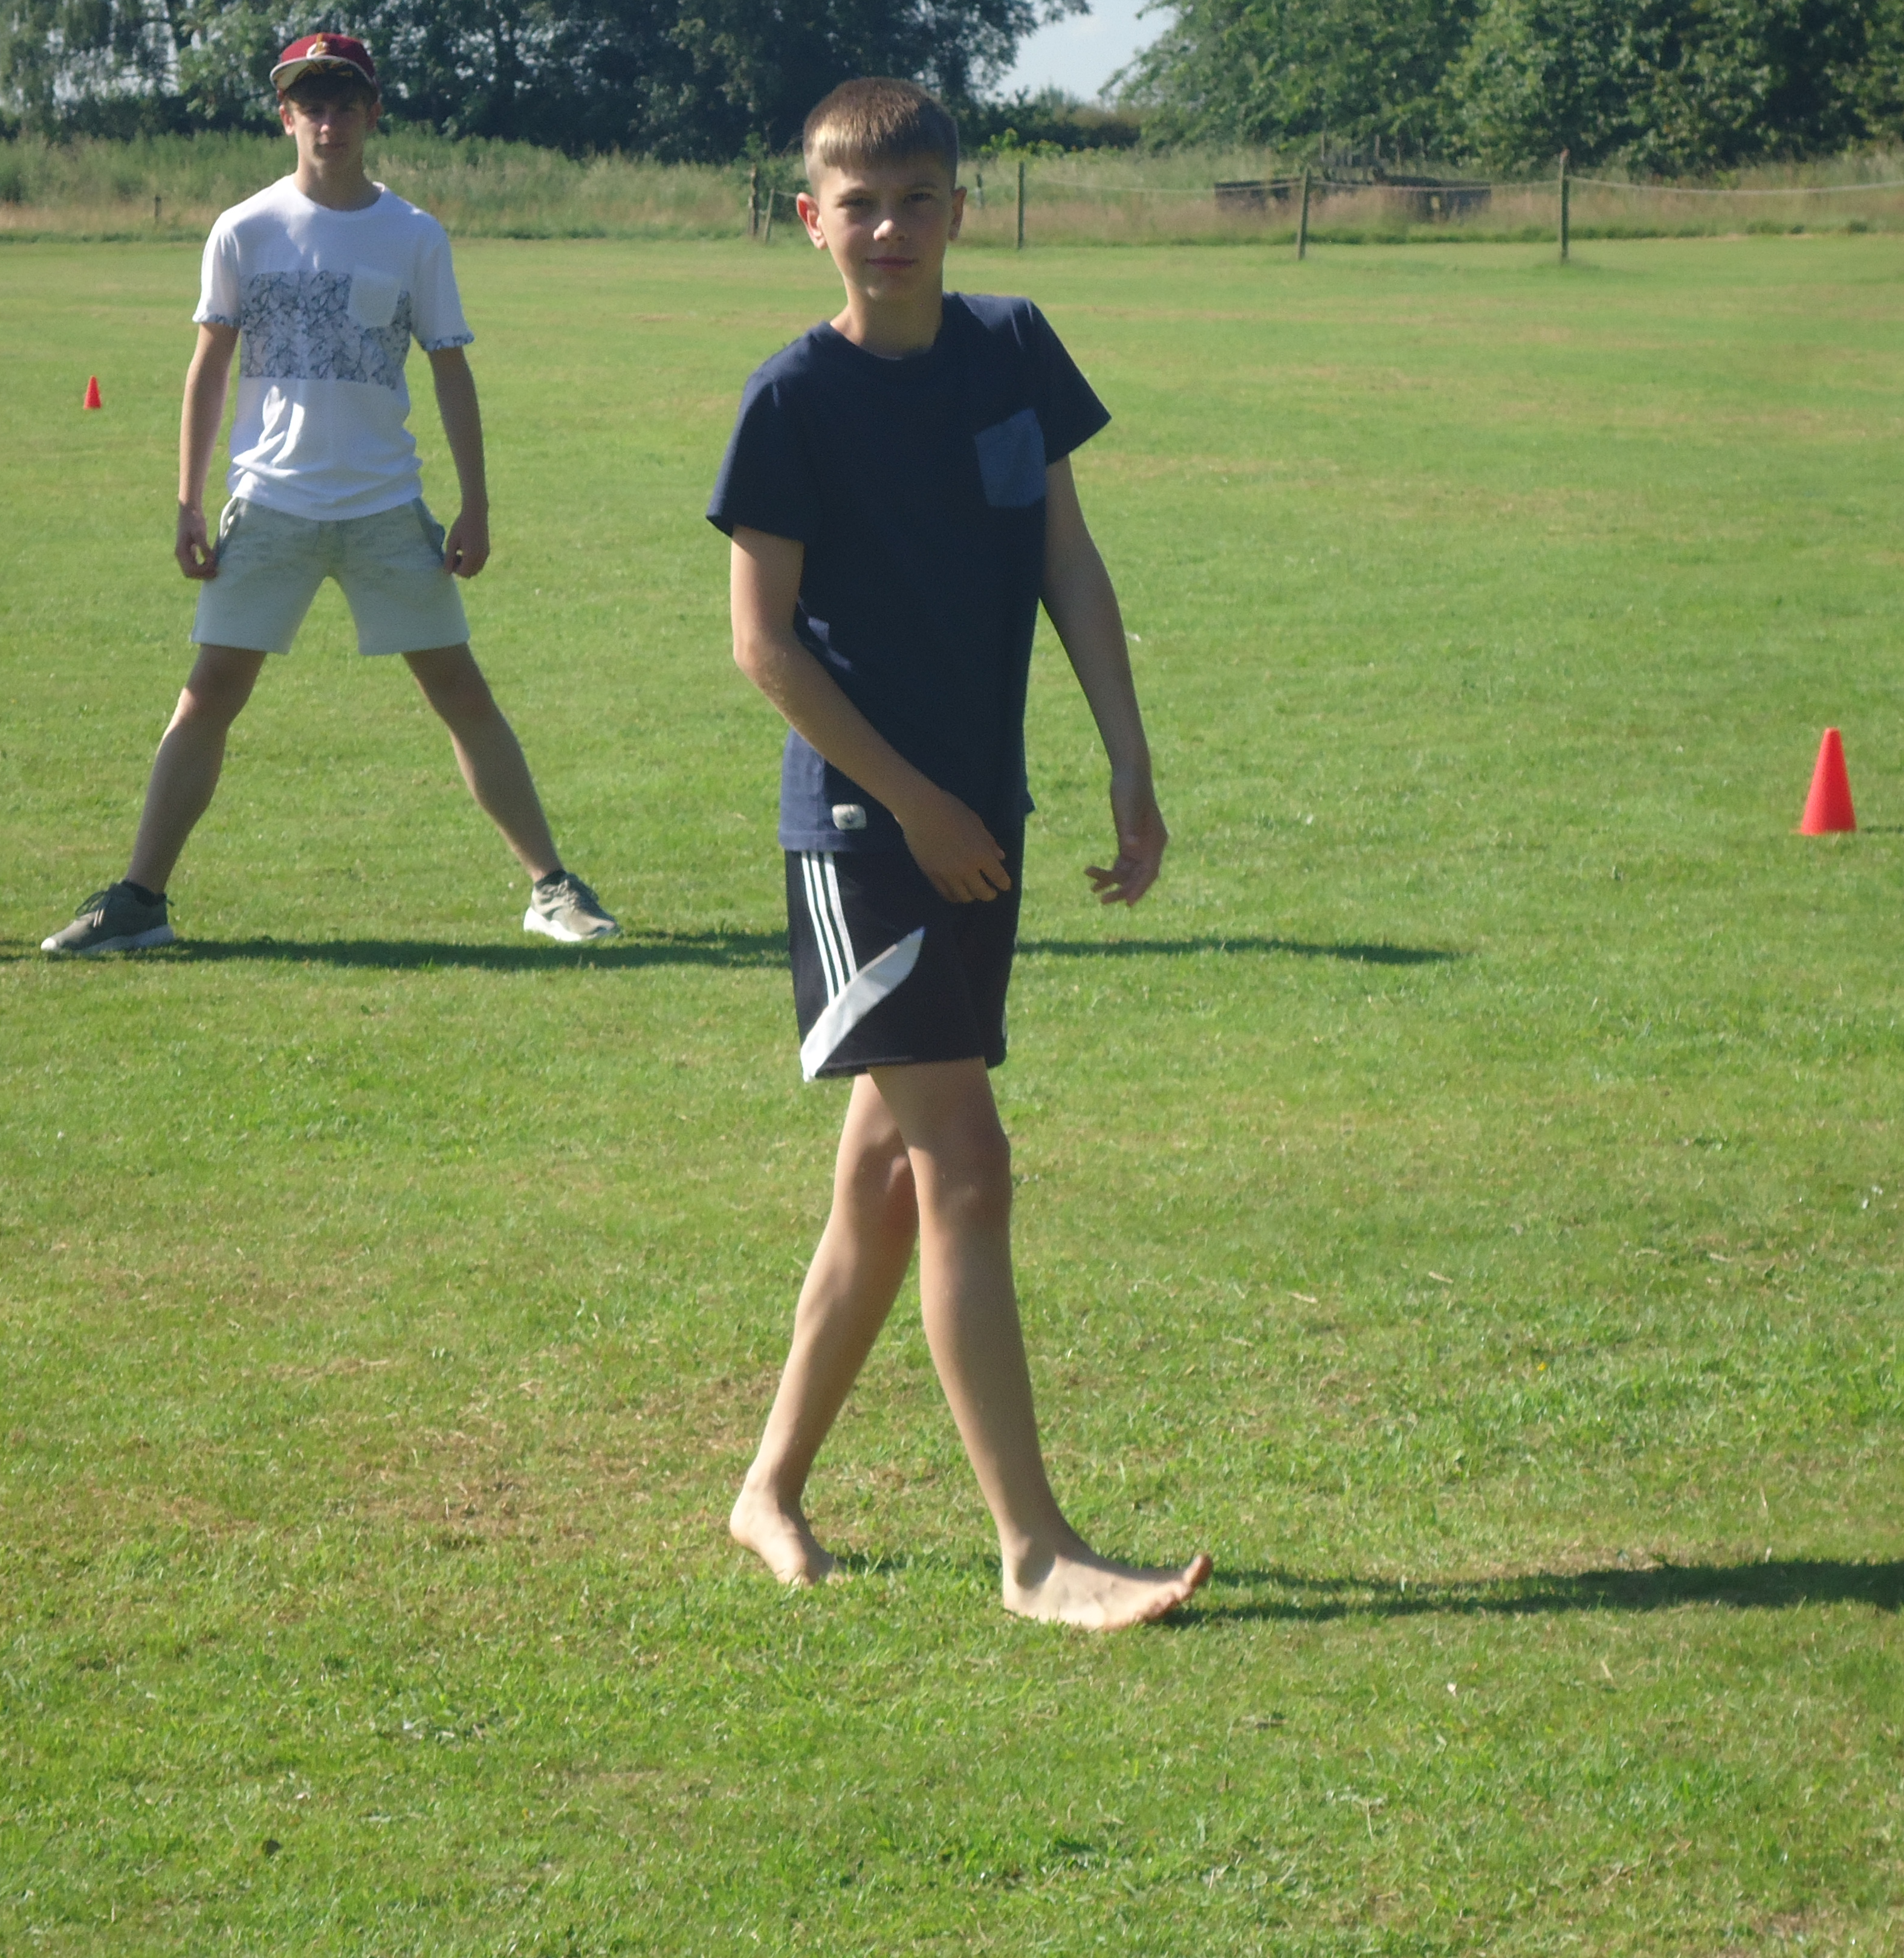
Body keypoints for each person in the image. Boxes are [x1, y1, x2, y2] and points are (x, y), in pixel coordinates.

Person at [710, 79, 1208, 1629]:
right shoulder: (792, 400)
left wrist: (1128, 757)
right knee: (966, 1170)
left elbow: (1068, 558)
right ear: (811, 221)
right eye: (858, 206)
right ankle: (1035, 1554)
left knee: (885, 1180)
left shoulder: (1012, 351)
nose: (890, 230)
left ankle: (767, 1489)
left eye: (917, 200)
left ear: (959, 211)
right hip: (868, 837)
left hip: (987, 823)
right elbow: (763, 645)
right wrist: (914, 802)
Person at [42, 33, 617, 955]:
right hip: (270, 505)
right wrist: (188, 501)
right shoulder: (244, 229)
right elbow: (208, 369)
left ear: (372, 113)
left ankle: (552, 888)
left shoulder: (415, 235)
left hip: (386, 507)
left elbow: (451, 371)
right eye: (310, 103)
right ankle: (140, 901)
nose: (329, 120)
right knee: (207, 697)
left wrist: (476, 504)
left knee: (461, 691)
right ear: (286, 117)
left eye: (346, 102)